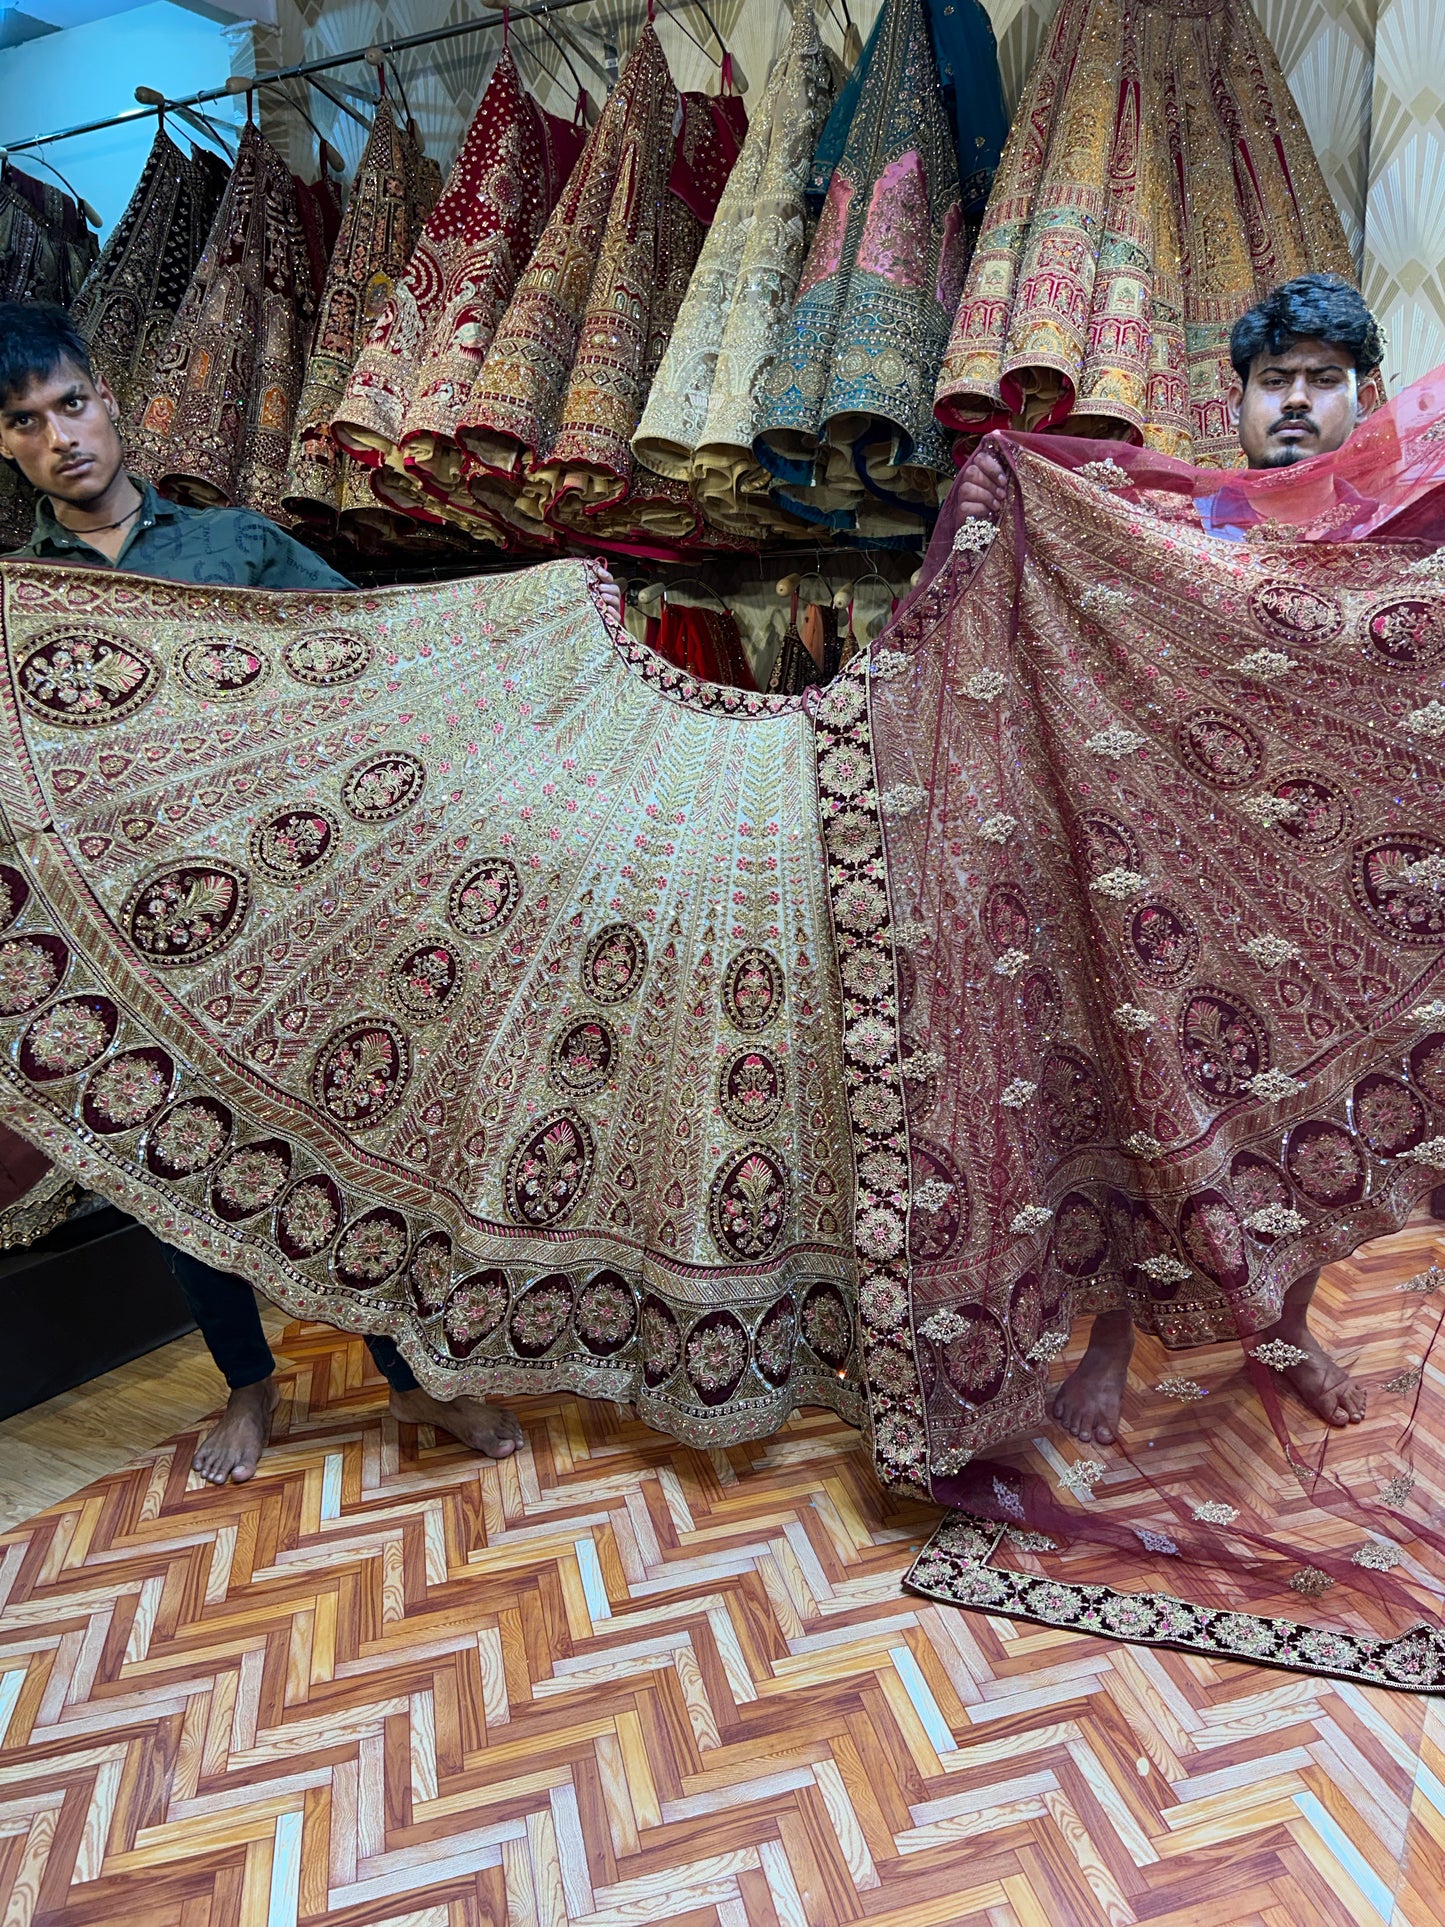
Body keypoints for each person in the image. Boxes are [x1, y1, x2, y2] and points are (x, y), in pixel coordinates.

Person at [0, 301, 551, 1481]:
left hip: (287, 912)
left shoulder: (235, 548)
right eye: (25, 422)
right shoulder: (15, 600)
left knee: (348, 1138)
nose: (61, 438)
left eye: (71, 405)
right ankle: (247, 1384)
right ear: (7, 445)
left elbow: (371, 657)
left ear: (110, 401)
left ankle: (415, 1379)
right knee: (169, 1167)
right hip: (122, 939)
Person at [951, 274, 1391, 1448]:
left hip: (1331, 888)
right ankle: (1109, 1344)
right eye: (1272, 382)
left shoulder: (1397, 539)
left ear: (1366, 396)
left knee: (1315, 1114)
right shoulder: (1180, 522)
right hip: (1163, 871)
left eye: (1319, 382)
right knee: (1144, 1094)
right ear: (1236, 399)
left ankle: (1287, 1325)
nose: (1293, 404)